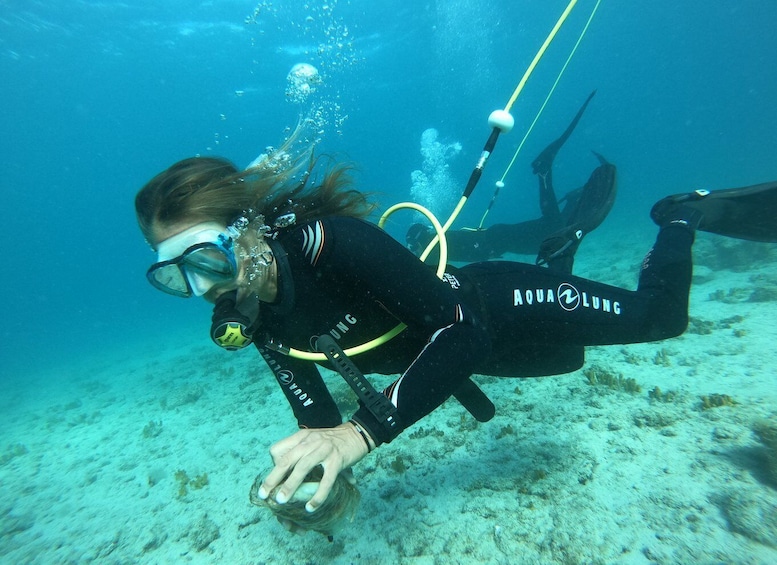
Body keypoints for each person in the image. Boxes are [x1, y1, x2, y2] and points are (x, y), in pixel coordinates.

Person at [135, 129, 777, 523]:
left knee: (660, 319)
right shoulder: (256, 319)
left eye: (205, 260)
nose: (202, 289)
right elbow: (321, 428)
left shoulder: (332, 243)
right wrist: (319, 486)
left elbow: (462, 330)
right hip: (454, 361)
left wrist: (367, 430)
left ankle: (682, 214)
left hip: (491, 305)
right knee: (569, 360)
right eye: (173, 278)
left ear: (248, 230)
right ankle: (559, 249)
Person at [406, 90, 617, 273]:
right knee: (554, 231)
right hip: (498, 239)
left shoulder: (431, 247)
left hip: (499, 239)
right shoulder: (435, 242)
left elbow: (435, 273)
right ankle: (571, 197)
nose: (413, 250)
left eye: (412, 245)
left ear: (419, 239)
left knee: (553, 230)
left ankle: (545, 173)